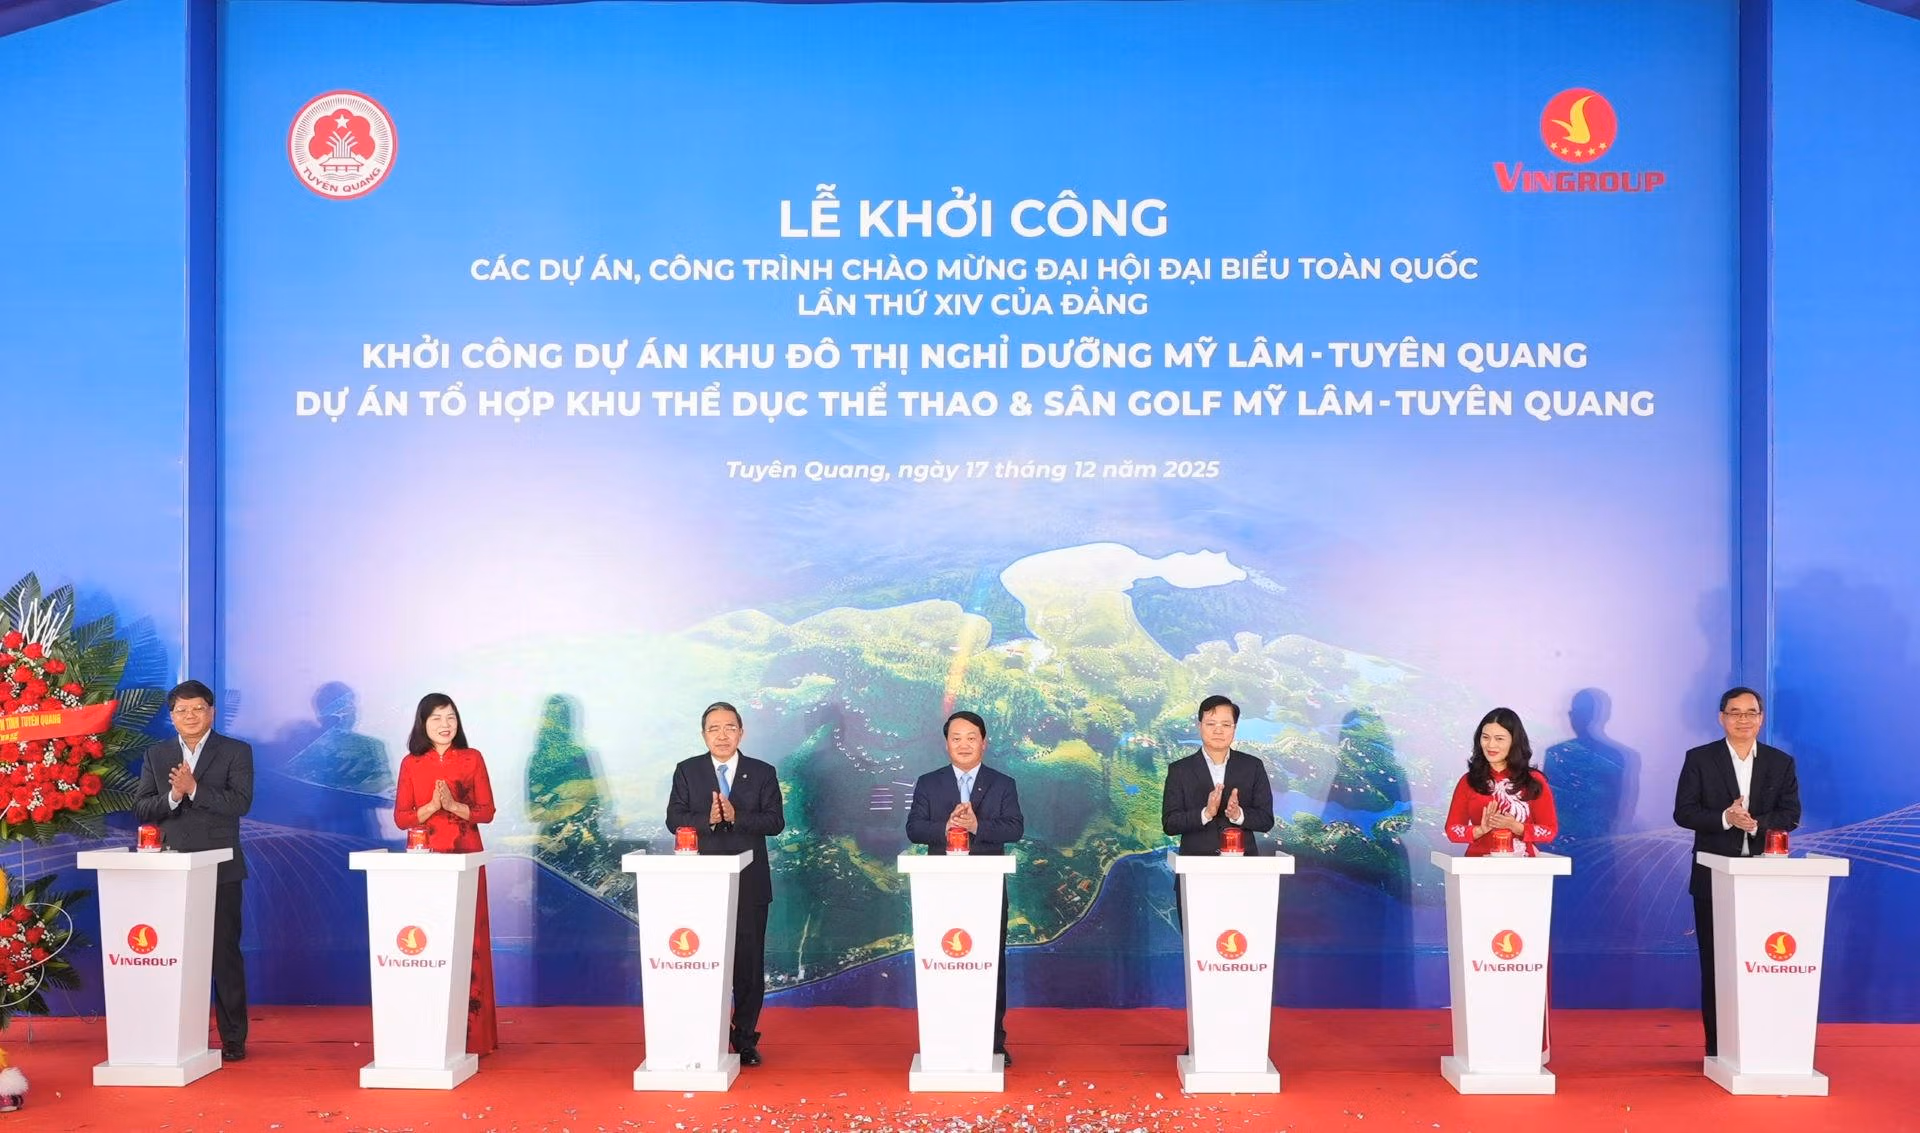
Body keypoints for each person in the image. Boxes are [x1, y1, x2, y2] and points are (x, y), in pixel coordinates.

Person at [1673, 686, 1801, 1059]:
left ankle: (1764, 1045)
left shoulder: (1780, 762)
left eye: (1750, 713)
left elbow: (1790, 815)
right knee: (1716, 964)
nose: (1743, 719)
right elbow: (1684, 812)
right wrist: (1726, 818)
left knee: (1763, 961)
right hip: (1713, 877)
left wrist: (1755, 824)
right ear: (1721, 717)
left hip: (1765, 880)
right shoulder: (1700, 759)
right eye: (1735, 712)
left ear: (1761, 718)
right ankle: (1719, 1049)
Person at [133, 680, 254, 1061]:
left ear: (211, 712)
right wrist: (174, 795)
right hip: (170, 869)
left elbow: (240, 803)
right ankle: (172, 1034)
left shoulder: (236, 751)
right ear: (172, 716)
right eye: (182, 710)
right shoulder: (157, 754)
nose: (190, 716)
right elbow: (142, 808)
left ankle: (233, 1038)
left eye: (198, 708)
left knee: (224, 954)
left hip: (220, 869)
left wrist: (195, 788)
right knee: (170, 953)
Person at [667, 702, 786, 1067]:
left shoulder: (762, 772)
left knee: (748, 965)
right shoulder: (688, 770)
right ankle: (704, 1034)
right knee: (704, 959)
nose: (722, 735)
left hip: (749, 883)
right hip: (700, 883)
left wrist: (738, 816)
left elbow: (775, 822)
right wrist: (707, 818)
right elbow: (674, 818)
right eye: (714, 729)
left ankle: (745, 1038)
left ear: (741, 732)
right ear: (704, 734)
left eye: (729, 728)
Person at [906, 710, 1025, 1067]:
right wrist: (945, 826)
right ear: (946, 744)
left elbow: (1015, 829)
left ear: (984, 743)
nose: (964, 744)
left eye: (971, 738)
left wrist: (977, 825)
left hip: (986, 887)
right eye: (956, 738)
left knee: (989, 961)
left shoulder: (1002, 784)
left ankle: (993, 1042)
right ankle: (943, 1038)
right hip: (939, 888)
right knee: (943, 960)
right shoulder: (929, 783)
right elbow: (914, 829)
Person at [393, 693, 498, 1055]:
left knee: (471, 940)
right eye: (436, 718)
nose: (444, 724)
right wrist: (431, 807)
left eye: (450, 717)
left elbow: (486, 812)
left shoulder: (472, 758)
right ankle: (431, 1029)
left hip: (466, 854)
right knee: (431, 938)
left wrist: (454, 806)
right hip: (426, 857)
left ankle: (474, 1036)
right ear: (423, 723)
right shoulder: (412, 763)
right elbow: (402, 818)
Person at [1161, 695, 1276, 857]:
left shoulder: (1253, 766)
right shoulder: (1179, 770)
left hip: (1243, 865)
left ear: (1234, 728)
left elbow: (1266, 820)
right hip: (1196, 865)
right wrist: (1206, 813)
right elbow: (1170, 824)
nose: (1218, 730)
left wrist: (1238, 815)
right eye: (1211, 724)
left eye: (1226, 724)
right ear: (1200, 726)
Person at [1445, 707, 1559, 856]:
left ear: (1514, 741)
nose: (1491, 745)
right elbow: (1452, 830)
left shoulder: (1533, 780)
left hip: (1522, 864)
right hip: (1477, 865)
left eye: (1499, 739)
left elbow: (1549, 831)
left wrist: (1516, 827)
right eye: (1485, 737)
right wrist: (1480, 830)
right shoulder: (1469, 781)